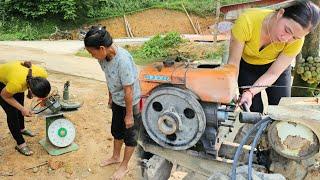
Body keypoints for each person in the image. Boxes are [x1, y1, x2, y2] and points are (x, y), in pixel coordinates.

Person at [227, 0, 320, 113]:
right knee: (252, 110)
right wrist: (232, 89)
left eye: (294, 37)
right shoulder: (247, 21)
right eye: (287, 30)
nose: (285, 39)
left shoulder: (297, 41)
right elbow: (233, 63)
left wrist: (251, 91)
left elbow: (273, 73)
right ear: (280, 14)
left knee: (281, 109)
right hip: (247, 67)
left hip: (276, 70)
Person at [84, 26, 141, 180]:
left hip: (131, 103)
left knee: (130, 135)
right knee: (117, 130)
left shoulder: (123, 60)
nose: (92, 56)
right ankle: (115, 157)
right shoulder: (103, 58)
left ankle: (124, 166)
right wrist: (110, 96)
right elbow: (109, 78)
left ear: (102, 48)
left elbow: (128, 90)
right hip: (117, 101)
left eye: (92, 52)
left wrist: (129, 115)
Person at [0, 61, 51, 156]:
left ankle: (21, 129)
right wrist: (22, 109)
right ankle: (20, 144)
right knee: (12, 112)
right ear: (30, 89)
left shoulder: (43, 73)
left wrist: (44, 99)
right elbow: (5, 95)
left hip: (16, 75)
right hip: (1, 82)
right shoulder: (16, 84)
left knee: (20, 104)